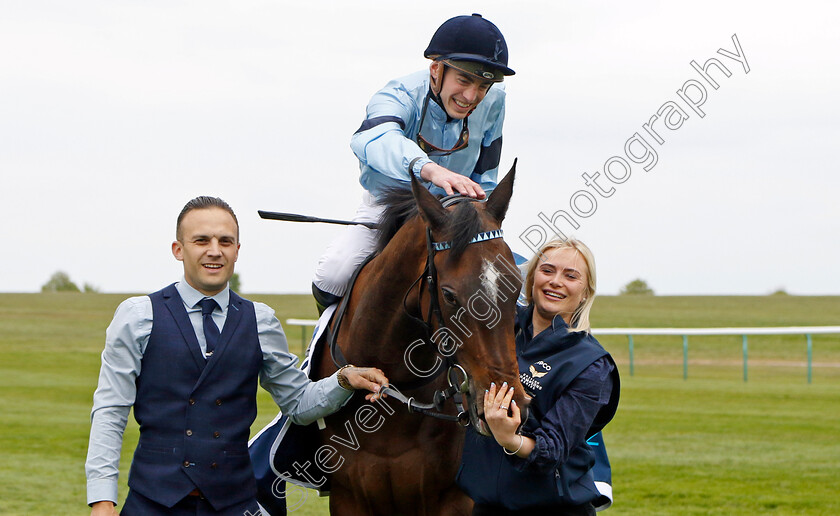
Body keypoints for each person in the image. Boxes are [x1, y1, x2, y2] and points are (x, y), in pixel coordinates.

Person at [85, 196, 389, 515]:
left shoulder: (261, 320)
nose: (214, 250)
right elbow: (110, 411)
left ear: (237, 250)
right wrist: (103, 500)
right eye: (201, 240)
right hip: (152, 503)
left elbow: (298, 403)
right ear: (178, 249)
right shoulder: (138, 316)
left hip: (234, 503)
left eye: (225, 241)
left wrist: (344, 379)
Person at [312, 13, 515, 311]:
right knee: (333, 274)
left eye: (483, 86)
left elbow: (485, 175)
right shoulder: (398, 94)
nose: (472, 96)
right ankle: (318, 354)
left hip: (455, 217)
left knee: (515, 287)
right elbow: (371, 138)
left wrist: (484, 223)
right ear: (436, 68)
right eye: (464, 79)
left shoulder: (495, 100)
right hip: (389, 207)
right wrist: (428, 169)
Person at [457, 239, 620, 515]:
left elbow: (552, 449)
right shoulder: (495, 332)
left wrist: (510, 439)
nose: (556, 281)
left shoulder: (591, 364)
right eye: (547, 270)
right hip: (486, 507)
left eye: (570, 276)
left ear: (585, 292)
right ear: (531, 278)